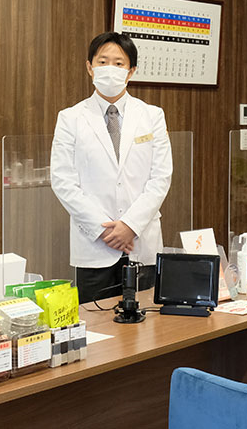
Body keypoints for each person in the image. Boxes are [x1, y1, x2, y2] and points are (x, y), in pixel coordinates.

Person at [50, 32, 173, 304]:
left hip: (141, 242)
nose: (110, 69)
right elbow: (62, 180)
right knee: (96, 324)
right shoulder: (70, 118)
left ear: (131, 71)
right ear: (89, 67)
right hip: (94, 244)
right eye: (102, 62)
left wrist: (130, 225)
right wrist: (105, 230)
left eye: (118, 63)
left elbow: (160, 178)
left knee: (146, 321)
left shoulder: (152, 115)